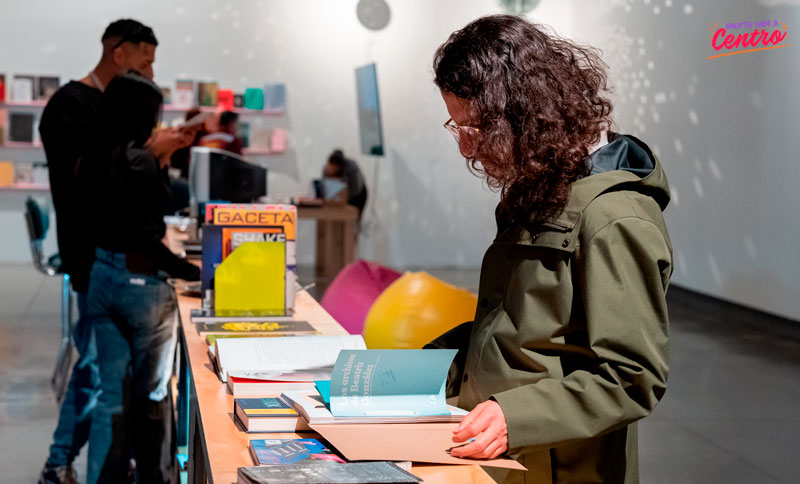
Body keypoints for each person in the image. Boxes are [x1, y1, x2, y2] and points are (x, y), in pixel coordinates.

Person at [426, 15, 672, 484]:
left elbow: (632, 375)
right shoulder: (538, 189)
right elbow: (513, 325)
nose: (466, 150)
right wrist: (418, 367)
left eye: (474, 129)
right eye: (455, 127)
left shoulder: (615, 218)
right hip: (497, 455)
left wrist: (514, 417)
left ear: (523, 112)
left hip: (558, 466)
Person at [37, 18, 161, 484]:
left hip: (117, 256)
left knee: (106, 369)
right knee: (95, 367)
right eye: (145, 57)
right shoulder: (70, 106)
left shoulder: (114, 106)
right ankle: (62, 461)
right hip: (91, 255)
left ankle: (78, 460)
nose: (150, 68)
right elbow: (88, 182)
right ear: (119, 52)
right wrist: (147, 154)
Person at [76, 72, 200, 484]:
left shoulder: (91, 157)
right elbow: (148, 233)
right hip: (141, 286)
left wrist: (159, 159)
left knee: (111, 395)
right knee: (153, 395)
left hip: (102, 276)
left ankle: (101, 477)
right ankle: (155, 477)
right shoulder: (139, 162)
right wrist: (193, 272)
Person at [323, 149, 368, 215]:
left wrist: (342, 198)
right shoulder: (326, 168)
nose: (332, 170)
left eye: (334, 168)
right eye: (330, 167)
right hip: (339, 195)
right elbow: (324, 185)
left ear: (339, 166)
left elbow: (356, 188)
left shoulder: (351, 169)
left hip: (357, 195)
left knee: (352, 217)